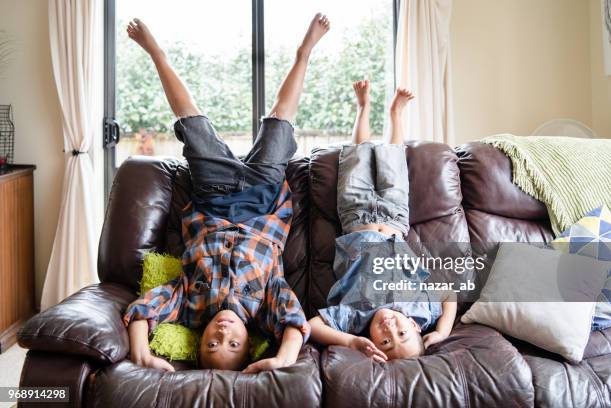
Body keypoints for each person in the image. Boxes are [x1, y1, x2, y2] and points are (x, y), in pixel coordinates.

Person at [123, 13, 330, 373]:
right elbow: (298, 324)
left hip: (213, 199)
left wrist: (142, 354)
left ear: (199, 338)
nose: (222, 333)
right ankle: (304, 52)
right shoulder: (267, 309)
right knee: (280, 122)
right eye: (233, 344)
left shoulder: (188, 305)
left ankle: (157, 54)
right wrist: (280, 359)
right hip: (263, 200)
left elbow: (143, 309)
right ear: (251, 343)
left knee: (193, 124)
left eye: (212, 343)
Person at [308, 79, 457, 361]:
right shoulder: (422, 311)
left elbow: (313, 326)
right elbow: (449, 294)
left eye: (386, 342)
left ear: (373, 341)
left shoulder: (356, 318)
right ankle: (395, 114)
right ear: (414, 326)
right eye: (402, 334)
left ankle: (362, 107)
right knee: (393, 163)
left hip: (355, 217)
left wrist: (352, 342)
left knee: (357, 157)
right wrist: (442, 332)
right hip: (395, 220)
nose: (390, 330)